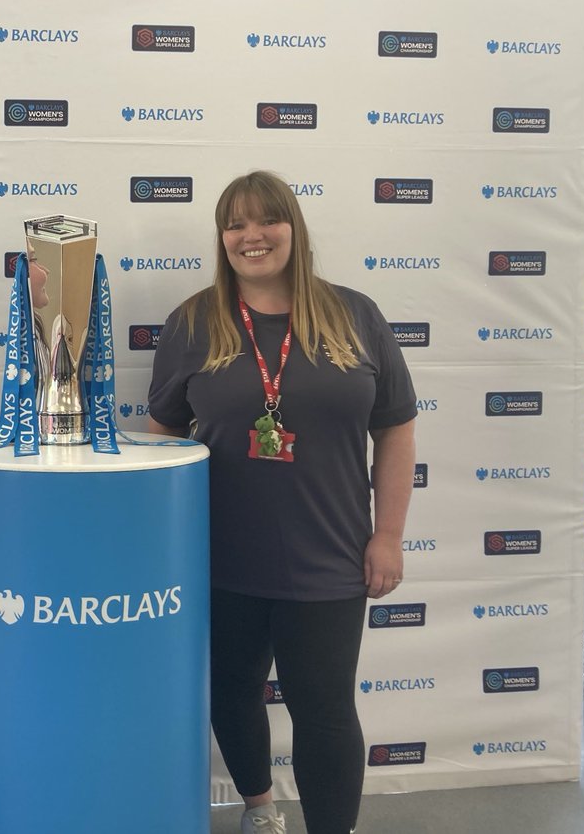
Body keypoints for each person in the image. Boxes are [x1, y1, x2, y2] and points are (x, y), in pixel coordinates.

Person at [147, 172, 416, 834]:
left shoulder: (355, 315)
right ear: (221, 239)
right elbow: (162, 439)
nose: (251, 236)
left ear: (293, 228)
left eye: (266, 220)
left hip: (329, 555)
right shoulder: (193, 322)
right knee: (232, 692)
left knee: (324, 708)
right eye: (234, 224)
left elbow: (397, 428)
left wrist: (389, 535)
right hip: (221, 559)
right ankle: (260, 809)